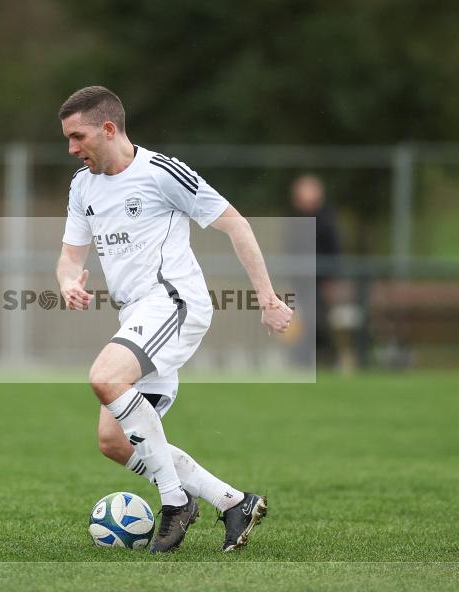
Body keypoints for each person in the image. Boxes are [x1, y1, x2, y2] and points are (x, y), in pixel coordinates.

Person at [56, 86, 292, 553]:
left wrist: (267, 297)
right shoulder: (82, 186)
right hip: (138, 315)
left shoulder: (160, 172)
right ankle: (233, 502)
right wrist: (68, 282)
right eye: (67, 138)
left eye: (77, 136)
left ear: (108, 128)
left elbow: (236, 224)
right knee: (113, 441)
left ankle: (174, 501)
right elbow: (69, 257)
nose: (71, 148)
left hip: (175, 303)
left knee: (104, 376)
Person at [288, 174, 341, 368]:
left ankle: (324, 356)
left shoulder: (326, 219)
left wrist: (331, 280)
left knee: (314, 319)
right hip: (300, 281)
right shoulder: (294, 220)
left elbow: (334, 250)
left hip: (319, 280)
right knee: (301, 320)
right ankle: (306, 359)